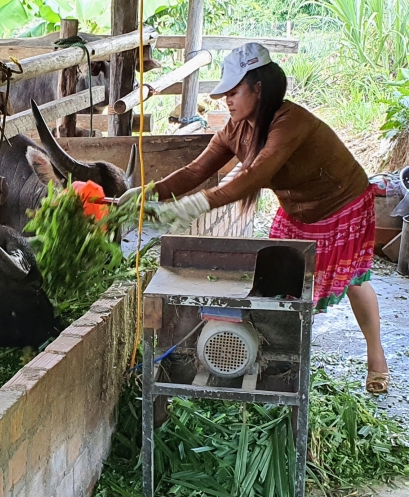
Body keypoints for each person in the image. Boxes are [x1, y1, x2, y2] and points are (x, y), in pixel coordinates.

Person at [122, 42, 390, 394]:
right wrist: (144, 195)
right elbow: (195, 171)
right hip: (297, 209)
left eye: (234, 92)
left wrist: (191, 206)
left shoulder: (290, 121)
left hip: (340, 204)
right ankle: (281, 355)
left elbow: (253, 177)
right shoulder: (237, 127)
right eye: (225, 93)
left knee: (354, 279)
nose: (227, 100)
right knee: (279, 280)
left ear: (258, 88)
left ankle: (376, 357)